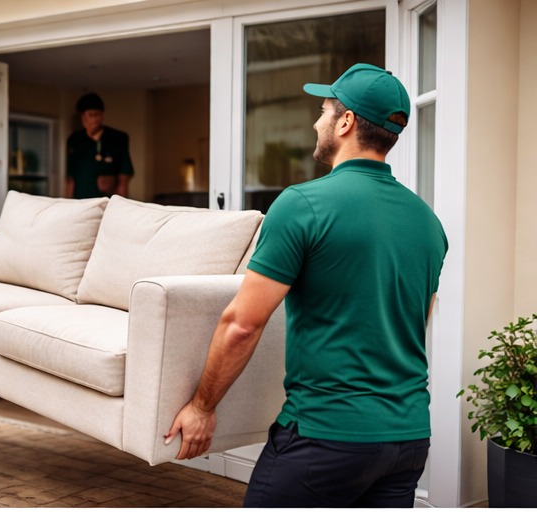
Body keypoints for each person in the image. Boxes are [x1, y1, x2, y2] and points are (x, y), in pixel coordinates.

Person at [165, 63, 448, 507]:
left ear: (347, 121)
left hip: (325, 438)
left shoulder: (303, 204)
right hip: (408, 440)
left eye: (323, 110)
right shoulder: (429, 223)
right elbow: (416, 321)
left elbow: (241, 325)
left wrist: (201, 407)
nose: (317, 121)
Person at [65, 92, 134, 199]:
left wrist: (120, 204)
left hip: (107, 201)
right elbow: (70, 180)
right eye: (87, 116)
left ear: (101, 116)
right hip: (81, 201)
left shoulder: (118, 139)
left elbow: (124, 177)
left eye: (94, 115)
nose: (91, 120)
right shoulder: (74, 140)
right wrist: (68, 205)